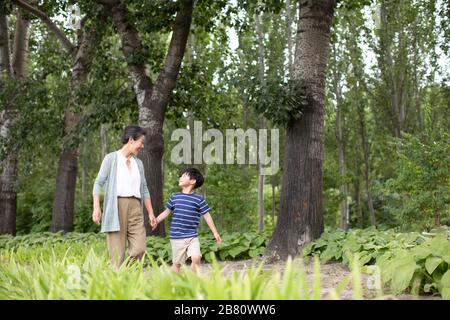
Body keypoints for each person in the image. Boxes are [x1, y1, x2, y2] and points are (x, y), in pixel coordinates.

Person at [92, 125, 157, 266]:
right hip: (116, 207)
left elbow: (144, 189)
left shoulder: (138, 163)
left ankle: (127, 273)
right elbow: (98, 183)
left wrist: (151, 213)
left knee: (139, 249)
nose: (142, 146)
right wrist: (96, 207)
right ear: (131, 140)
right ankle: (117, 281)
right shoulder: (111, 159)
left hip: (135, 207)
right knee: (116, 255)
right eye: (141, 141)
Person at [154, 167, 221, 272]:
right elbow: (166, 212)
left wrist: (215, 232)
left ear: (193, 181)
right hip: (176, 236)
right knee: (177, 265)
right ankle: (171, 285)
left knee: (196, 257)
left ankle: (192, 281)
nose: (180, 177)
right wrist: (156, 220)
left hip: (192, 236)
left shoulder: (199, 199)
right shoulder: (175, 197)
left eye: (184, 176)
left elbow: (207, 216)